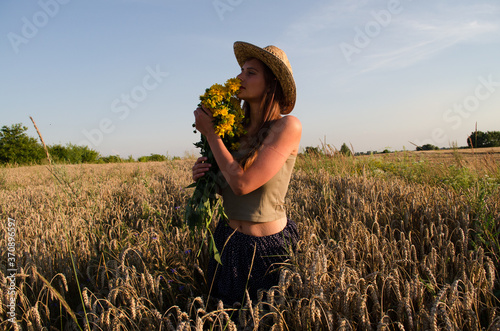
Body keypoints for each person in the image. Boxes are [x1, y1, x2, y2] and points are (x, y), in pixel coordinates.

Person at [192, 41, 301, 306]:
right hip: (228, 244)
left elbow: (243, 185)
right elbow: (230, 186)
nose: (239, 77)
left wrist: (211, 133)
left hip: (267, 250)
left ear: (272, 82)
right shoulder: (234, 129)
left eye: (250, 72)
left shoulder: (287, 126)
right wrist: (206, 178)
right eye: (241, 70)